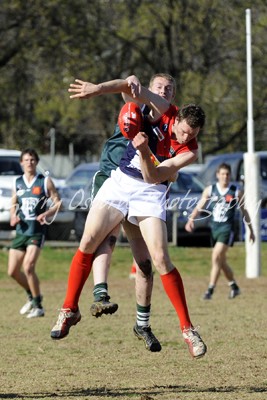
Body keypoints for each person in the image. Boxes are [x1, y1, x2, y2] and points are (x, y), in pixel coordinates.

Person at [50, 77, 207, 359]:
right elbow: (131, 87)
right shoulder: (166, 110)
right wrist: (97, 89)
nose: (184, 137)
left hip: (151, 191)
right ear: (178, 118)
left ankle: (187, 329)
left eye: (191, 134)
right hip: (121, 182)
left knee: (159, 259)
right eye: (183, 131)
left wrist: (145, 149)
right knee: (88, 241)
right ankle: (69, 309)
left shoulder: (191, 151)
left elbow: (155, 176)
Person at [89, 73, 176, 353]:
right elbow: (126, 88)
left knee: (146, 263)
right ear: (148, 90)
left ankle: (143, 324)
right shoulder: (134, 106)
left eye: (169, 89)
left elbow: (172, 162)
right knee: (106, 238)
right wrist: (106, 85)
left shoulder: (172, 123)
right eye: (159, 87)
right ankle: (97, 294)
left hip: (142, 190)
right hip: (113, 178)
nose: (164, 92)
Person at [185, 162, 255, 300]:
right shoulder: (210, 190)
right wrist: (191, 219)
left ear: (230, 176)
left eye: (227, 174)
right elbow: (200, 206)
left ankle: (210, 290)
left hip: (227, 229)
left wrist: (251, 230)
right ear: (218, 175)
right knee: (220, 261)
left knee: (216, 256)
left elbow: (244, 211)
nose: (225, 177)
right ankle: (234, 287)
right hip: (214, 229)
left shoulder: (236, 191)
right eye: (222, 174)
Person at [8, 148, 62, 318]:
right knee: (12, 272)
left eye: (32, 160)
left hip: (36, 232)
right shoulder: (17, 182)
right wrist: (12, 216)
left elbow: (58, 203)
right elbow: (13, 204)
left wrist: (46, 214)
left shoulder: (44, 182)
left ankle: (38, 306)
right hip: (21, 231)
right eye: (26, 160)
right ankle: (32, 297)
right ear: (21, 163)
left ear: (36, 162)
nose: (29, 163)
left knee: (28, 267)